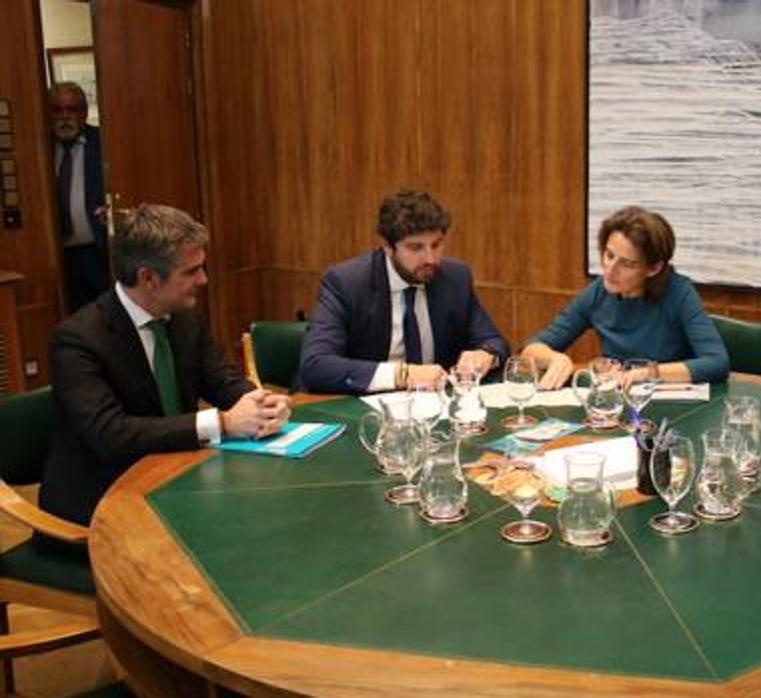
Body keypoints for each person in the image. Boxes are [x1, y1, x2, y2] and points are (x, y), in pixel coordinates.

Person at [41, 204, 290, 526]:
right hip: (103, 503)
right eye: (191, 271)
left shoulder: (185, 319)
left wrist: (260, 404)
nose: (204, 279)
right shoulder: (77, 340)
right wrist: (223, 423)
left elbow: (219, 379)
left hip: (179, 479)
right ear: (148, 278)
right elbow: (111, 434)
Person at [298, 189, 508, 393]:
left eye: (436, 245)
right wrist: (404, 375)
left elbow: (495, 342)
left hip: (431, 406)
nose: (430, 259)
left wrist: (485, 355)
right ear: (388, 247)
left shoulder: (455, 277)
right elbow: (315, 365)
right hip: (360, 405)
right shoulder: (347, 282)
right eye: (416, 248)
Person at [522, 205, 728, 388]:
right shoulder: (598, 292)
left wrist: (647, 373)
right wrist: (554, 359)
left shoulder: (679, 292)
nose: (610, 270)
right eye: (609, 255)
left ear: (654, 268)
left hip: (673, 406)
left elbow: (716, 362)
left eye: (627, 264)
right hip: (616, 400)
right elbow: (531, 349)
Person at [49, 82, 110, 311]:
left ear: (84, 112)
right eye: (57, 110)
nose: (65, 117)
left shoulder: (104, 141)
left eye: (72, 109)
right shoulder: (39, 147)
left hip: (97, 252)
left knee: (105, 315)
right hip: (58, 257)